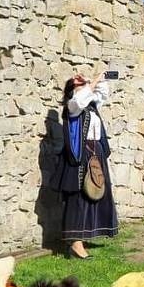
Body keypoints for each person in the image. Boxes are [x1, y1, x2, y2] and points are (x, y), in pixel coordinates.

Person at [55, 73, 118, 259]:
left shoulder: (92, 106)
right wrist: (92, 82)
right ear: (72, 90)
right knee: (78, 199)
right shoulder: (73, 106)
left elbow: (102, 94)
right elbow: (80, 100)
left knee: (95, 192)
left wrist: (97, 79)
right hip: (79, 156)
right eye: (78, 83)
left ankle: (84, 236)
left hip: (95, 152)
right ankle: (75, 245)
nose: (83, 85)